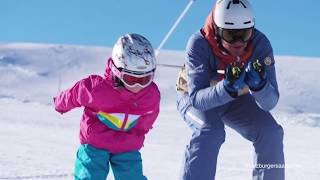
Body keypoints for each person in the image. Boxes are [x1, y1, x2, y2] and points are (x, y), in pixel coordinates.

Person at [176, 0, 285, 179]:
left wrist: (260, 86)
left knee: (270, 132)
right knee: (211, 131)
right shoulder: (198, 43)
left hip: (234, 99)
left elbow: (270, 102)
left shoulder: (260, 45)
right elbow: (197, 99)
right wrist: (226, 88)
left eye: (245, 33)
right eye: (230, 34)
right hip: (193, 96)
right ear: (218, 31)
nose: (239, 42)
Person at [53, 33, 160, 180]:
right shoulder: (98, 89)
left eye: (144, 79)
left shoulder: (150, 95)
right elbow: (75, 94)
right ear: (117, 71)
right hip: (96, 142)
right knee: (90, 175)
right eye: (131, 79)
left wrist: (138, 134)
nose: (137, 86)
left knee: (132, 176)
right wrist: (60, 104)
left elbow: (149, 116)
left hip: (127, 145)